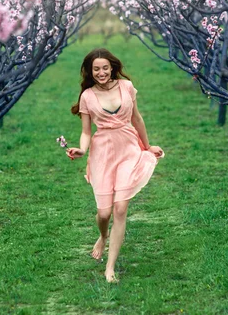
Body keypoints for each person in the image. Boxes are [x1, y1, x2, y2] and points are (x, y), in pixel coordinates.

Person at [67, 48, 164, 283]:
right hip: (102, 152)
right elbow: (86, 132)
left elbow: (137, 118)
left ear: (112, 67)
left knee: (120, 208)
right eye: (96, 69)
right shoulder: (87, 96)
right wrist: (82, 149)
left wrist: (147, 146)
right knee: (104, 212)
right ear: (90, 72)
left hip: (128, 147)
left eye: (105, 68)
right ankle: (103, 235)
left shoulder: (126, 87)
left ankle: (109, 268)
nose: (101, 72)